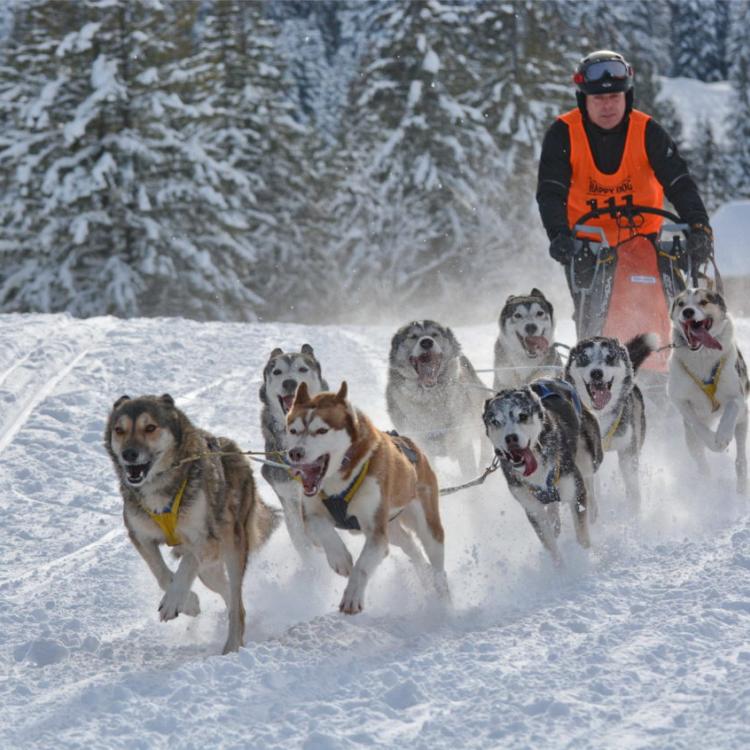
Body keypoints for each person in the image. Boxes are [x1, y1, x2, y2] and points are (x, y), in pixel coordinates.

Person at [536, 49, 713, 268]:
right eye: (598, 98)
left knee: (665, 298)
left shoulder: (648, 132)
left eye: (614, 97)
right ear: (584, 100)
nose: (607, 106)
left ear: (626, 97)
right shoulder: (563, 134)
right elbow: (551, 191)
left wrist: (699, 226)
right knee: (596, 303)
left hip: (645, 242)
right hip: (585, 249)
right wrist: (558, 234)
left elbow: (679, 184)